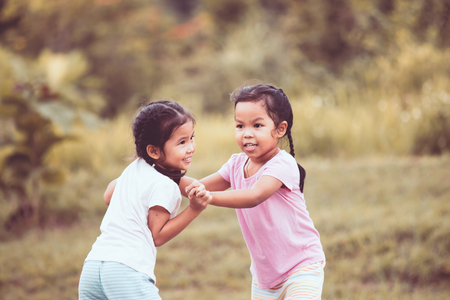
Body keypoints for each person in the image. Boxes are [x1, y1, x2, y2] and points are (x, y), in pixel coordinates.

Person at [182, 84, 326, 299]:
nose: (247, 134)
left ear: (280, 129)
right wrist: (164, 176)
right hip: (265, 278)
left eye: (257, 125)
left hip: (301, 266)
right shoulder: (236, 164)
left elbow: (254, 196)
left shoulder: (282, 164)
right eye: (240, 126)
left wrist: (208, 197)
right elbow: (197, 187)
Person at [79, 100, 211, 300]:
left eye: (191, 138)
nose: (191, 147)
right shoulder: (165, 186)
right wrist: (194, 209)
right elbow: (157, 236)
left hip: (94, 267)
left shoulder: (136, 168)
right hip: (126, 271)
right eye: (182, 142)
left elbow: (108, 196)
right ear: (154, 151)